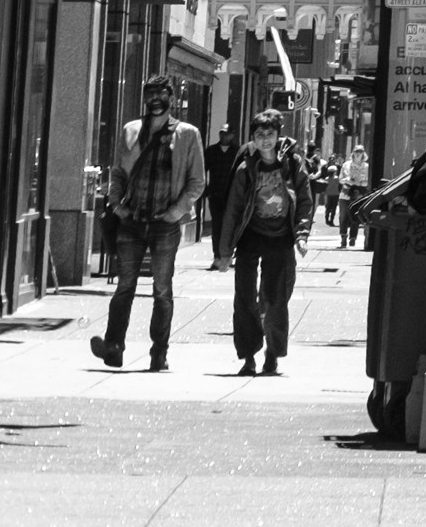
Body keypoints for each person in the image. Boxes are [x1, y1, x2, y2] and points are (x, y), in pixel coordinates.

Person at [92, 75, 206, 372]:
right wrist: (117, 205)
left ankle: (159, 352)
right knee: (124, 286)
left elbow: (197, 181)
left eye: (161, 94)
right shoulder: (131, 130)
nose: (155, 100)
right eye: (150, 94)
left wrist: (176, 211)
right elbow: (118, 172)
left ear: (171, 98)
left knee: (162, 289)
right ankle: (114, 347)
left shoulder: (187, 134)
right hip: (132, 221)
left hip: (164, 224)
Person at [223, 103, 309, 375]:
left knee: (275, 300)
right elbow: (233, 210)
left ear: (278, 135)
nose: (265, 140)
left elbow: (304, 199)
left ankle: (272, 354)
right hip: (250, 236)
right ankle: (248, 357)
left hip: (280, 238)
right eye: (259, 135)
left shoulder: (292, 164)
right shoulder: (246, 168)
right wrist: (224, 251)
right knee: (245, 299)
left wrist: (302, 233)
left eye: (269, 134)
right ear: (253, 137)